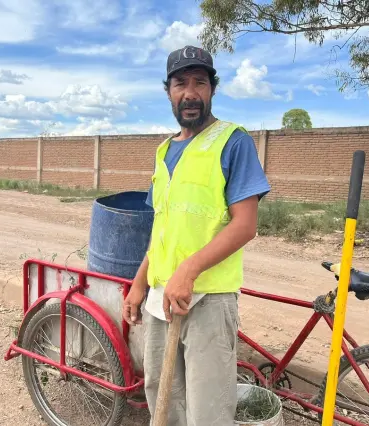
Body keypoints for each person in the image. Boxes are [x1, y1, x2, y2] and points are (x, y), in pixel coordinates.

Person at [122, 45, 271, 426]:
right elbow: (163, 227)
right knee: (162, 399)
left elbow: (245, 224)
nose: (190, 92)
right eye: (180, 83)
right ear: (168, 91)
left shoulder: (233, 141)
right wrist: (139, 283)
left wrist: (189, 270)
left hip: (209, 299)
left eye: (199, 82)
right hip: (161, 299)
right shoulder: (163, 152)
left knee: (208, 411)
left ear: (212, 89)